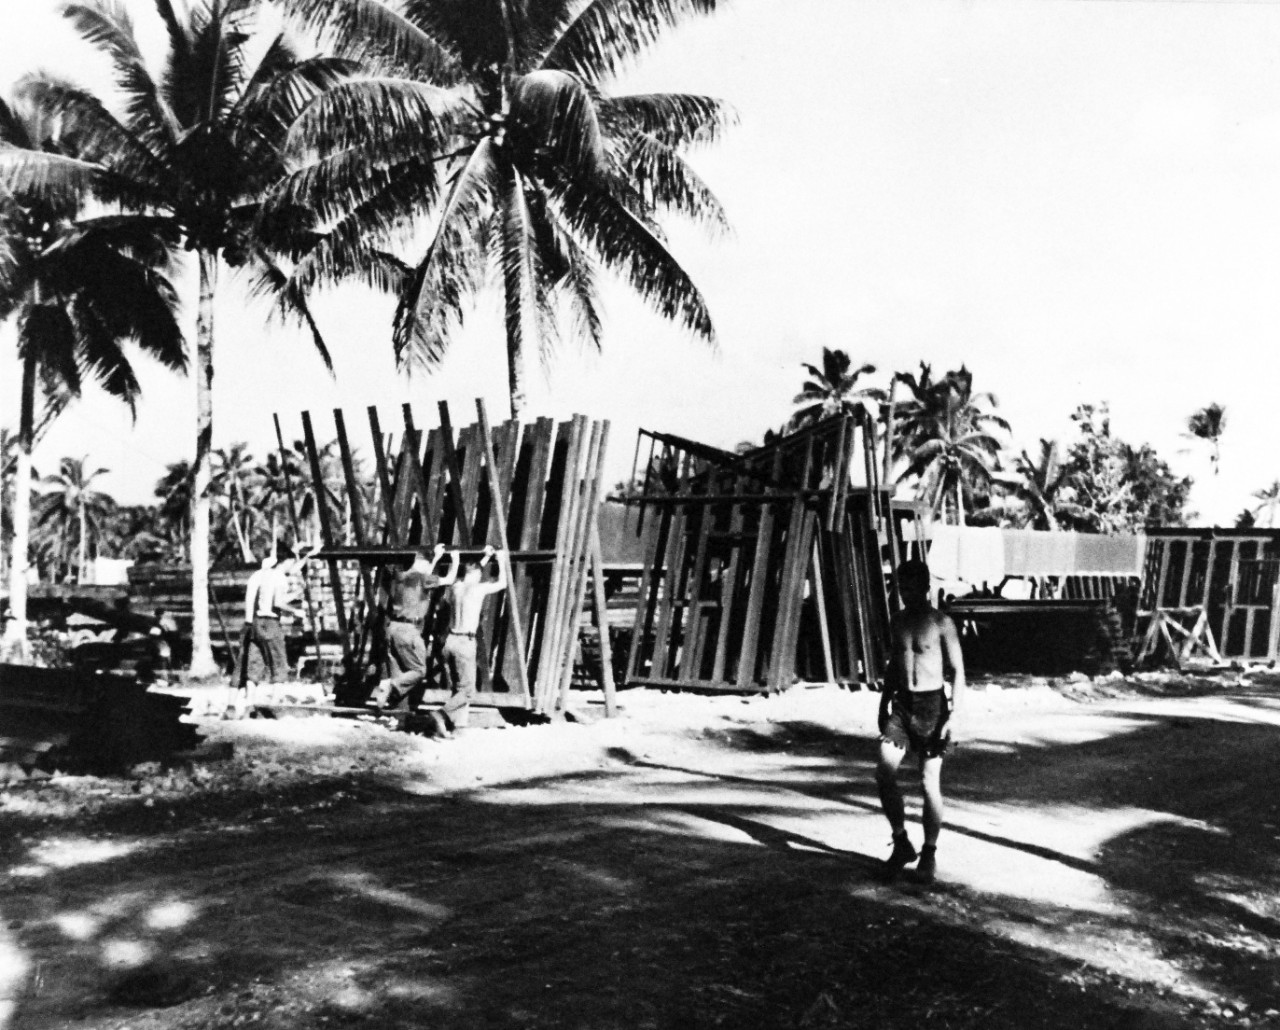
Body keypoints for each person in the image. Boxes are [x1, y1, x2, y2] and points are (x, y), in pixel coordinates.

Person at [876, 558, 966, 883]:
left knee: (929, 783)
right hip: (902, 704)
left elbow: (958, 672)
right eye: (902, 587)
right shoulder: (896, 621)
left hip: (932, 707)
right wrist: (883, 703)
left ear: (926, 587)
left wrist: (953, 715)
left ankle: (928, 853)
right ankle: (901, 842)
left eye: (912, 587)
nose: (906, 593)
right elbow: (893, 664)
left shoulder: (942, 623)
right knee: (884, 772)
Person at [368, 544, 458, 711]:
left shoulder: (401, 577)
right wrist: (456, 559)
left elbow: (423, 579)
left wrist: (435, 558)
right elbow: (449, 579)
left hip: (392, 628)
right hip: (410, 631)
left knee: (400, 673)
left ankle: (396, 715)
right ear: (425, 563)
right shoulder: (424, 579)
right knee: (419, 670)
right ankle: (390, 684)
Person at [431, 546, 509, 738]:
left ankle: (459, 728)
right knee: (468, 692)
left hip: (449, 641)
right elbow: (502, 583)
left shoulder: (455, 587)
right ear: (477, 575)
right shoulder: (479, 588)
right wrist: (501, 560)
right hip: (466, 643)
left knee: (458, 687)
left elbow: (472, 572)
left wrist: (485, 558)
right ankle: (440, 714)